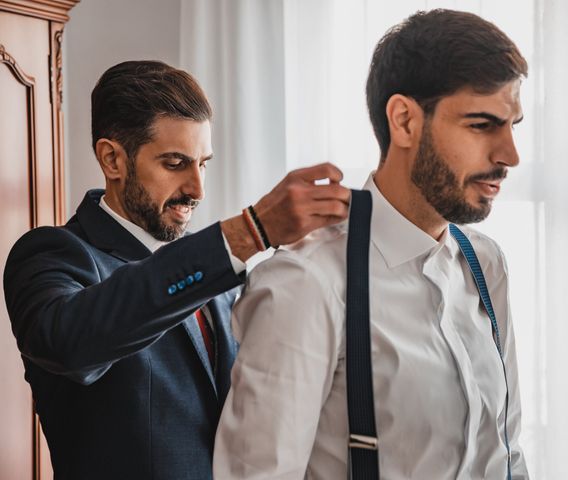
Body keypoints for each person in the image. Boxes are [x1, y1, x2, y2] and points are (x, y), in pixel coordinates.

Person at [214, 9, 529, 479]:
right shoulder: (308, 281)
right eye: (482, 125)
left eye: (512, 126)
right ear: (404, 121)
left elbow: (506, 454)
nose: (510, 156)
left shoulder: (485, 264)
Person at [3, 60, 350, 480]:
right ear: (112, 159)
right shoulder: (53, 254)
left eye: (203, 163)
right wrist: (247, 234)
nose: (198, 189)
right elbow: (70, 345)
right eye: (175, 163)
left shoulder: (218, 274)